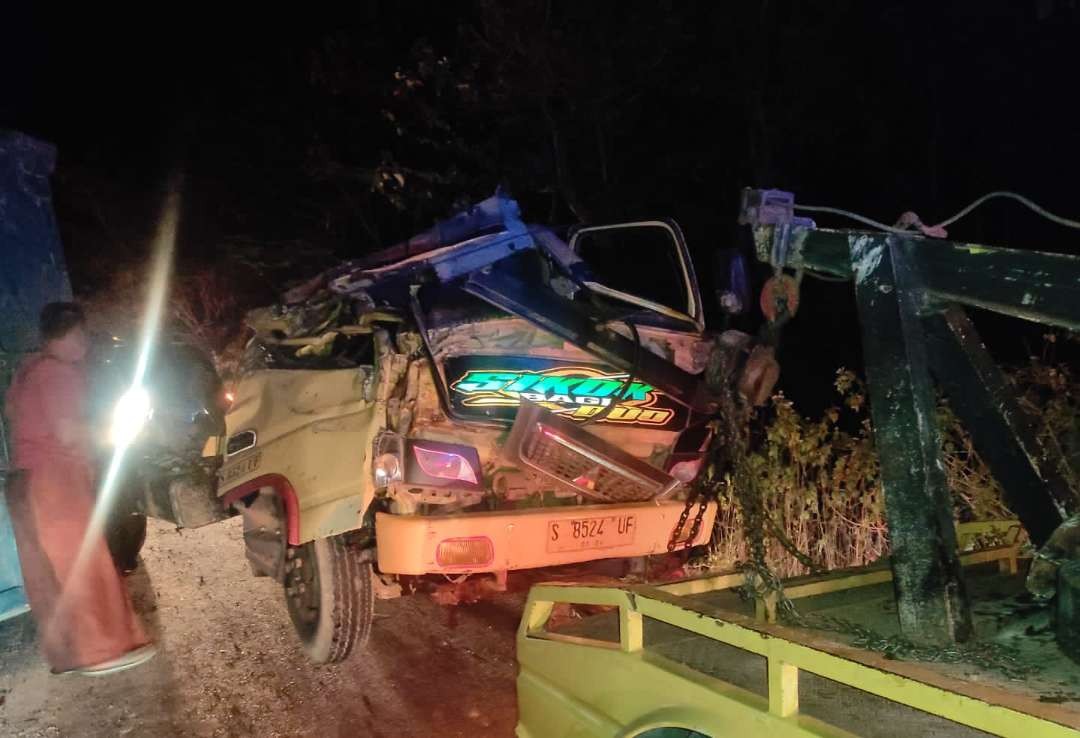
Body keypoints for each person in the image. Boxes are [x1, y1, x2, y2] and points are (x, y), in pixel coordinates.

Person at [4, 302, 154, 675]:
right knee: (85, 565)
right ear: (70, 335)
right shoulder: (58, 373)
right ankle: (103, 650)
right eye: (82, 336)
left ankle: (72, 653)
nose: (86, 344)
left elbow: (13, 419)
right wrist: (117, 433)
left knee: (48, 577)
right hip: (55, 482)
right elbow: (68, 433)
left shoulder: (29, 370)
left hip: (26, 484)